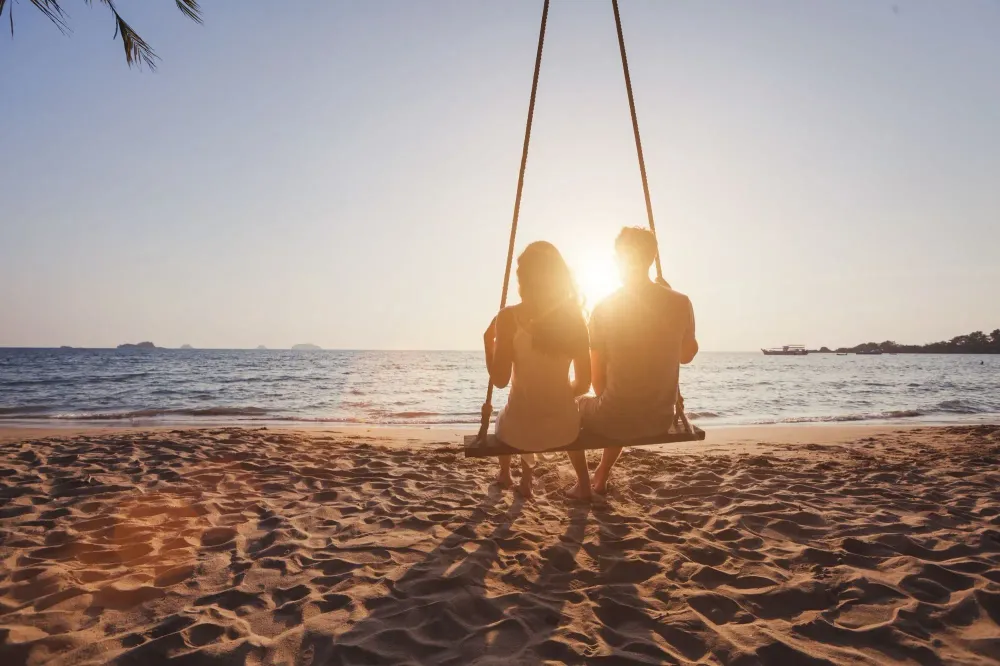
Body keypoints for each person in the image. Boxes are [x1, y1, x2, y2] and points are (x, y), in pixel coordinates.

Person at [576, 227, 698, 497]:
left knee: (575, 405)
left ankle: (582, 484)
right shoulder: (681, 302)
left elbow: (597, 385)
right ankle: (601, 476)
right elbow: (686, 356)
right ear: (652, 258)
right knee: (620, 400)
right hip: (659, 419)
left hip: (617, 416)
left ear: (619, 258)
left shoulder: (604, 308)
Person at [483, 241, 592, 499]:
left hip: (518, 430)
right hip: (563, 429)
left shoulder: (508, 317)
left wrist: (488, 344)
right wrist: (563, 393)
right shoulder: (576, 321)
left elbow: (499, 381)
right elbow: (585, 384)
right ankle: (584, 485)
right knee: (564, 409)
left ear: (524, 278)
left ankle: (507, 475)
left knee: (509, 413)